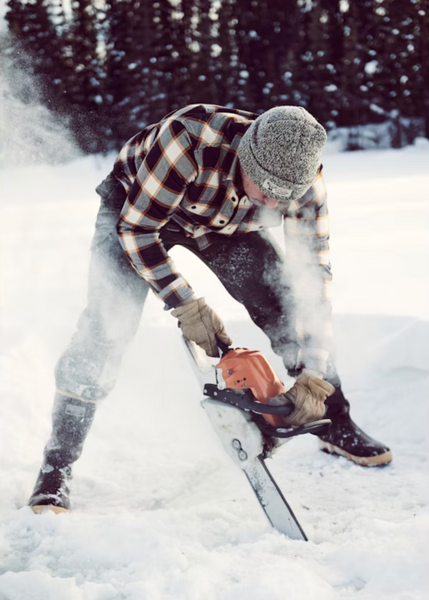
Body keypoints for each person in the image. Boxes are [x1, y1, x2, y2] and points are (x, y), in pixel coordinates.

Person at [28, 104, 392, 514]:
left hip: (228, 225)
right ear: (245, 157)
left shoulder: (304, 185)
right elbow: (137, 230)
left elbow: (313, 278)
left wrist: (314, 370)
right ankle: (56, 469)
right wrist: (185, 303)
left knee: (289, 308)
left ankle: (334, 421)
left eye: (283, 195)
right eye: (267, 186)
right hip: (140, 208)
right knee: (105, 328)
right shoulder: (189, 141)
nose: (274, 199)